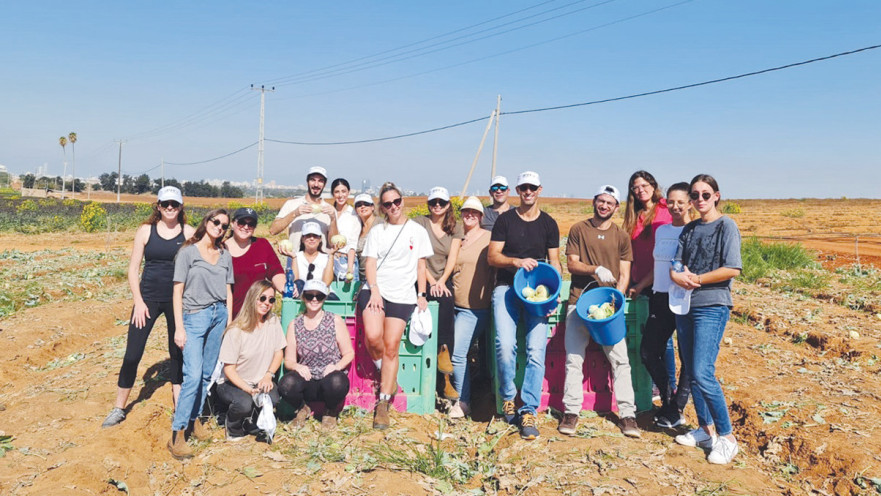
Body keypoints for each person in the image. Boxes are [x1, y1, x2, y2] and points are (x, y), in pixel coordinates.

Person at [102, 186, 195, 428]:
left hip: (177, 301)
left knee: (178, 353)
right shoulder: (146, 231)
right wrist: (139, 301)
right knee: (132, 354)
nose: (170, 208)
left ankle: (180, 407)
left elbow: (201, 262)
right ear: (158, 206)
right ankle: (119, 407)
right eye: (165, 204)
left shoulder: (188, 232)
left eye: (174, 204)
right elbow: (133, 269)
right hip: (148, 300)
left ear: (181, 207)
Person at [558, 185, 641, 439]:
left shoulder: (621, 237)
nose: (604, 206)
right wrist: (595, 269)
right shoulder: (579, 230)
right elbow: (572, 264)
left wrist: (616, 301)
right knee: (574, 359)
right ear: (594, 202)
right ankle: (571, 412)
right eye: (601, 201)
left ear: (616, 207)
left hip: (607, 309)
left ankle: (627, 415)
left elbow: (624, 274)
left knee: (620, 360)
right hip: (579, 302)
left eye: (609, 202)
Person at [671, 174, 742, 465]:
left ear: (716, 196)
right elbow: (676, 262)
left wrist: (697, 279)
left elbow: (732, 268)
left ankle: (727, 438)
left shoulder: (726, 226)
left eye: (705, 194)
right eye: (695, 195)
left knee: (702, 371)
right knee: (691, 369)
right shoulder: (689, 229)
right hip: (686, 305)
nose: (700, 199)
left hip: (712, 305)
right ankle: (705, 429)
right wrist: (677, 275)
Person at [488, 171, 561, 440]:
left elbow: (555, 261)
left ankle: (529, 409)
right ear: (518, 190)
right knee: (505, 345)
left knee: (535, 351)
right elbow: (492, 256)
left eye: (532, 187)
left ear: (539, 190)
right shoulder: (505, 220)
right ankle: (508, 397)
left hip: (537, 294)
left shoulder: (549, 224)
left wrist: (554, 295)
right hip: (507, 288)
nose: (528, 192)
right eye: (523, 188)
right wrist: (516, 262)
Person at [358, 182, 432, 430]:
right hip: (375, 290)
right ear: (382, 207)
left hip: (402, 295)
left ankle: (383, 403)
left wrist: (421, 293)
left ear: (402, 201)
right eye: (388, 204)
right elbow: (370, 263)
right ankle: (387, 374)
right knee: (372, 336)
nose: (393, 207)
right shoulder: (377, 232)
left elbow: (421, 265)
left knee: (391, 347)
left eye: (396, 201)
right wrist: (374, 289)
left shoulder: (417, 231)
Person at [167, 209, 234, 460]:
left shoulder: (225, 255)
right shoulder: (187, 253)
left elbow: (228, 290)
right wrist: (179, 328)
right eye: (216, 222)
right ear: (206, 222)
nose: (220, 227)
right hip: (194, 317)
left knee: (206, 374)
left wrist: (228, 321)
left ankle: (194, 420)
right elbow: (177, 292)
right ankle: (177, 434)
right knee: (193, 375)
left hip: (218, 316)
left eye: (224, 226)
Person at [640, 183, 693, 428]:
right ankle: (667, 398)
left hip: (684, 299)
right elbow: (658, 266)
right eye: (671, 201)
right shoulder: (662, 230)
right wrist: (641, 285)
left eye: (680, 202)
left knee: (687, 356)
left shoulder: (694, 230)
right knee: (648, 351)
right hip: (660, 297)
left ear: (690, 203)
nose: (675, 206)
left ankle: (677, 408)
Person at [623, 170, 679, 402]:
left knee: (663, 338)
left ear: (654, 186)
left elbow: (669, 252)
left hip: (661, 281)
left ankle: (669, 386)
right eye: (635, 187)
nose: (640, 190)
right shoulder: (633, 216)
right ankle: (654, 383)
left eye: (644, 185)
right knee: (646, 333)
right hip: (639, 281)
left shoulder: (666, 209)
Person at [215, 280, 285, 441]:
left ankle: (252, 421)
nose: (267, 303)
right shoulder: (236, 330)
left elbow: (278, 352)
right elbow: (229, 369)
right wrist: (248, 389)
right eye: (262, 298)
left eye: (271, 300)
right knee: (243, 403)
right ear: (253, 297)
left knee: (273, 398)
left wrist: (268, 375)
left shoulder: (273, 322)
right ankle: (233, 426)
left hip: (260, 380)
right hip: (233, 382)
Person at [278, 280, 354, 428]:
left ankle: (330, 410)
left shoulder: (335, 320)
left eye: (319, 296)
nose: (314, 299)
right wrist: (298, 367)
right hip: (307, 378)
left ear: (324, 298)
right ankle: (302, 408)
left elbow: (349, 353)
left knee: (337, 382)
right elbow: (289, 360)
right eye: (309, 296)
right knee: (286, 384)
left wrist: (336, 367)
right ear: (303, 297)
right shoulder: (295, 324)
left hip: (329, 377)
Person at [412, 186, 463, 400]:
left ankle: (444, 357)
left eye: (441, 202)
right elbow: (418, 257)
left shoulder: (455, 227)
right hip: (421, 277)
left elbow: (452, 258)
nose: (437, 206)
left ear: (448, 205)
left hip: (443, 279)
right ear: (428, 204)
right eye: (434, 202)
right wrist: (432, 282)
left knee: (447, 300)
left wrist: (441, 281)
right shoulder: (420, 223)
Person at [448, 196, 493, 418]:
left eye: (475, 212)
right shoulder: (457, 237)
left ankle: (463, 401)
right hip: (453, 305)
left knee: (458, 353)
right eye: (466, 211)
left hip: (474, 308)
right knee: (449, 351)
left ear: (481, 216)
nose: (470, 215)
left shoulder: (488, 239)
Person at [225, 207, 285, 318]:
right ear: (232, 224)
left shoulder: (262, 245)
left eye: (251, 224)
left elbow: (275, 271)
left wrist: (285, 289)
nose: (246, 227)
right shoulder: (221, 249)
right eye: (241, 223)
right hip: (230, 316)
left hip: (257, 316)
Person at [271, 166, 335, 256]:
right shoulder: (292, 204)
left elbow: (333, 243)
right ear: (307, 182)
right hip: (295, 258)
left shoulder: (330, 209)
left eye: (320, 181)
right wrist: (295, 213)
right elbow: (273, 230)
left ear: (325, 184)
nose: (316, 184)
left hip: (321, 261)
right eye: (313, 180)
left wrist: (333, 219)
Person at [293, 222, 340, 299]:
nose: (312, 239)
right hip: (302, 294)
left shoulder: (326, 257)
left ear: (320, 239)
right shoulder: (295, 256)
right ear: (302, 239)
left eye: (315, 236)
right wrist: (294, 258)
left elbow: (326, 283)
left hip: (322, 294)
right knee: (299, 283)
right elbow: (295, 281)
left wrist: (331, 255)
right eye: (308, 236)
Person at [328, 178, 361, 281]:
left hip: (347, 261)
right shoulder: (328, 213)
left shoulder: (354, 215)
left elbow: (352, 244)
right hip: (330, 261)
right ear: (333, 194)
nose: (340, 195)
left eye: (343, 191)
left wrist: (349, 269)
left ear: (348, 192)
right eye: (337, 192)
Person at [353, 193, 378, 282]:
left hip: (378, 275)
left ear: (372, 207)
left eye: (366, 204)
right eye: (359, 205)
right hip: (361, 276)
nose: (362, 207)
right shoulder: (357, 228)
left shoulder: (380, 224)